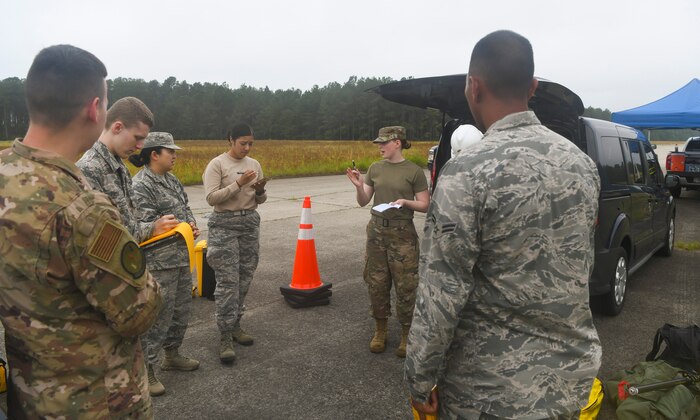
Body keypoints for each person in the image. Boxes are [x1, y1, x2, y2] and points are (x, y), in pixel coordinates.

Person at [405, 30, 602, 419]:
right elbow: (580, 268)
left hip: (489, 394)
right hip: (567, 384)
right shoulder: (581, 165)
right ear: (532, 86)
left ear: (473, 87)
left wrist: (419, 376)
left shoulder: (465, 172)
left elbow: (441, 291)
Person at [0, 45, 162, 418]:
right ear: (95, 110)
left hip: (29, 398)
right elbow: (139, 312)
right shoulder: (82, 208)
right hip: (95, 401)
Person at [346, 126, 429, 358]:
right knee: (376, 282)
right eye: (379, 143)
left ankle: (406, 333)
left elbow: (425, 204)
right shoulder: (375, 168)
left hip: (402, 234)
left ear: (398, 143)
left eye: (384, 142)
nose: (380, 146)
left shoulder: (413, 171)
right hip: (376, 233)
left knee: (406, 284)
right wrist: (358, 186)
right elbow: (364, 201)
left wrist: (406, 202)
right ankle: (380, 330)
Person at [130, 132, 201, 396]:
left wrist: (191, 225)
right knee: (157, 316)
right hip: (159, 262)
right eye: (170, 151)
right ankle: (146, 369)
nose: (175, 155)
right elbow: (141, 225)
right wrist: (162, 227)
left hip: (182, 257)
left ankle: (172, 355)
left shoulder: (171, 180)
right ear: (154, 154)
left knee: (180, 311)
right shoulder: (140, 185)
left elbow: (185, 208)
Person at [202, 123, 268, 362]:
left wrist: (259, 190)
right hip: (224, 225)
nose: (247, 148)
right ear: (231, 140)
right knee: (227, 282)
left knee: (244, 277)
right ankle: (225, 335)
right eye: (243, 143)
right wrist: (238, 184)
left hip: (249, 222)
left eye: (251, 143)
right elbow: (212, 198)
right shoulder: (217, 164)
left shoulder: (254, 165)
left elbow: (260, 199)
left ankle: (236, 324)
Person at [77, 96, 178, 243]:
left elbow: (131, 223)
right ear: (117, 127)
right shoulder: (89, 169)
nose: (140, 146)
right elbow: (101, 235)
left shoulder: (119, 167)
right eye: (137, 138)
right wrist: (152, 228)